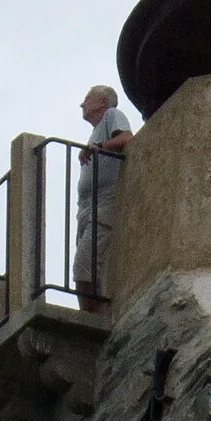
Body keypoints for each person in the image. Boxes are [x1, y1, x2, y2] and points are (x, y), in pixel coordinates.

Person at [74, 85, 134, 309]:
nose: (82, 104)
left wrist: (98, 146)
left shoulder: (112, 115)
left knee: (83, 265)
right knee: (87, 268)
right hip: (87, 210)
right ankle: (90, 312)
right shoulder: (95, 131)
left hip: (102, 208)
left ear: (102, 102)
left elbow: (126, 138)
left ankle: (86, 317)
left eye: (87, 98)